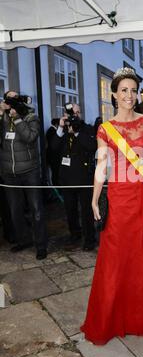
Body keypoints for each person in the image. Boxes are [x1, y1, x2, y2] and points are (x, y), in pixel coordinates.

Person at [81, 67, 143, 345]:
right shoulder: (105, 128)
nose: (129, 95)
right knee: (117, 258)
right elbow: (102, 165)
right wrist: (93, 197)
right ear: (113, 94)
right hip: (120, 198)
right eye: (123, 90)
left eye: (133, 90)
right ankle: (116, 313)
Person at [0, 91, 48, 259]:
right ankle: (23, 240)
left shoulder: (30, 117)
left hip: (30, 171)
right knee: (15, 211)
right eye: (8, 98)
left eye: (15, 98)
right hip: (9, 173)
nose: (11, 101)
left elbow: (30, 137)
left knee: (36, 210)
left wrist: (18, 118)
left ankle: (41, 245)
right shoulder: (3, 118)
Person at [49, 104, 97, 251]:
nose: (75, 116)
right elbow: (53, 148)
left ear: (80, 114)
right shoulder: (62, 130)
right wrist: (60, 128)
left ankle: (89, 239)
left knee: (86, 210)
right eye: (72, 113)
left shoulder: (87, 129)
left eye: (77, 112)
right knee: (70, 210)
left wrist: (76, 132)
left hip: (83, 178)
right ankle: (75, 234)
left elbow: (91, 146)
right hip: (67, 178)